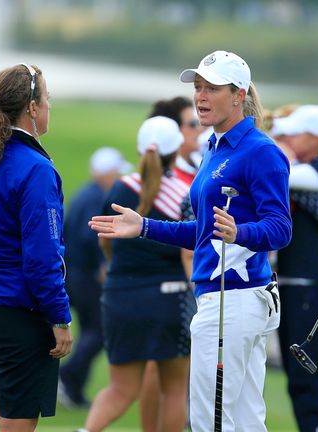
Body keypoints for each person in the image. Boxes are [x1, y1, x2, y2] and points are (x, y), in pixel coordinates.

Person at [89, 50, 291, 431]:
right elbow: (202, 233)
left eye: (211, 88)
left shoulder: (260, 151)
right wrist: (144, 226)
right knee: (244, 423)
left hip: (234, 301)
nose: (200, 96)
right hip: (224, 300)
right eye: (198, 87)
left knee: (210, 422)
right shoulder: (214, 148)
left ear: (238, 94)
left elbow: (281, 228)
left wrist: (241, 232)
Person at [0, 63, 73, 432]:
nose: (50, 106)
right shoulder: (36, 169)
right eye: (48, 99)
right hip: (17, 311)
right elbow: (42, 259)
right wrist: (60, 317)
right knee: (17, 424)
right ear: (33, 109)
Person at [80, 116, 193, 432]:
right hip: (171, 299)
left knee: (120, 390)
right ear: (176, 150)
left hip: (119, 296)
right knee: (174, 391)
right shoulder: (185, 193)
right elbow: (189, 251)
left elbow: (104, 239)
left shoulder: (120, 187)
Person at [268, 104, 318, 432]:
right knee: (291, 370)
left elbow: (283, 175)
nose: (285, 136)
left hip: (308, 282)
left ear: (316, 138)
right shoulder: (293, 165)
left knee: (307, 372)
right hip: (284, 282)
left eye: (293, 132)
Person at [138, 96, 204, 432]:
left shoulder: (188, 170)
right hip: (175, 283)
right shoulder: (175, 181)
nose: (199, 127)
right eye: (191, 123)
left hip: (162, 284)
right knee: (160, 370)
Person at [58, 147, 131, 409]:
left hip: (74, 273)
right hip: (84, 276)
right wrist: (102, 264)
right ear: (105, 173)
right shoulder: (95, 197)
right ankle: (67, 376)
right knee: (99, 330)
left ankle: (74, 390)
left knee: (93, 329)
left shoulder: (87, 194)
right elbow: (90, 236)